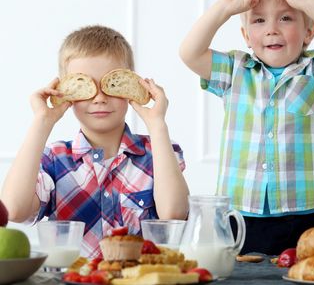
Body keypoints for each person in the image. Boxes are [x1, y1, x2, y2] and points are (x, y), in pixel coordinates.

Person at [179, 0, 314, 254]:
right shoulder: (234, 70)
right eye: (258, 21)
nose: (272, 30)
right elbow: (190, 52)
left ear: (309, 32)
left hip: (306, 216)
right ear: (246, 37)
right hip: (241, 217)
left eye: (286, 18)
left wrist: (310, 3)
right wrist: (224, 8)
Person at [0, 25, 190, 258]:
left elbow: (174, 214)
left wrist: (157, 123)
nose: (99, 98)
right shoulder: (55, 159)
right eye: (86, 87)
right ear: (66, 90)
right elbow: (14, 210)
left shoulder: (159, 151)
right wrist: (42, 121)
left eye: (110, 85)